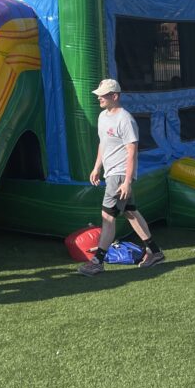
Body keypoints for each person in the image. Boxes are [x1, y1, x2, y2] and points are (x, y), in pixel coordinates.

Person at [77, 78, 165, 276]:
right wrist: (96, 167)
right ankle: (155, 252)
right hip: (110, 173)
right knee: (130, 212)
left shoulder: (125, 119)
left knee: (107, 216)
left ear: (114, 96)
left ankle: (97, 261)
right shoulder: (102, 117)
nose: (99, 97)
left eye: (103, 94)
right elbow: (103, 143)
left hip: (119, 176)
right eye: (99, 94)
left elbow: (132, 151)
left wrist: (127, 181)